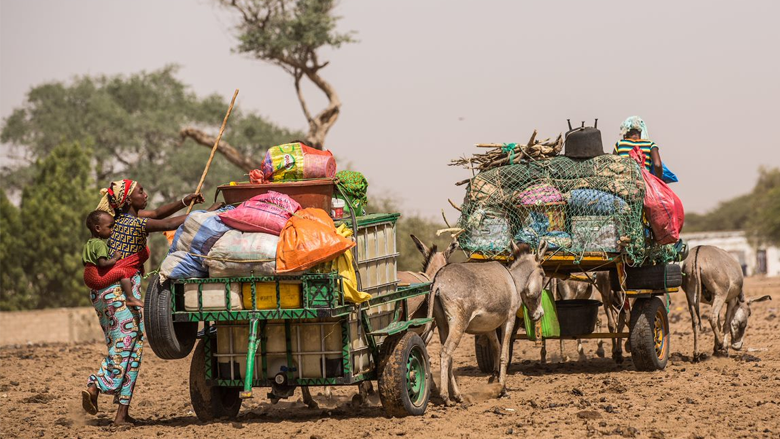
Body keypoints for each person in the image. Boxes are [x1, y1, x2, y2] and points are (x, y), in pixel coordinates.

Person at [81, 179, 222, 425]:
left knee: (135, 347)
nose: (145, 194)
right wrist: (205, 213)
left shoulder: (127, 219)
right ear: (127, 200)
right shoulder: (132, 224)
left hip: (115, 291)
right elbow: (166, 223)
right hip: (116, 291)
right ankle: (96, 384)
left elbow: (157, 213)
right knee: (125, 343)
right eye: (140, 191)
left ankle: (121, 414)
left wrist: (184, 201)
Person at [82, 210, 143, 308]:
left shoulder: (89, 243)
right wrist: (115, 258)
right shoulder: (99, 244)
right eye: (109, 227)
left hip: (87, 277)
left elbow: (85, 263)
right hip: (95, 279)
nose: (112, 230)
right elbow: (102, 264)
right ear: (98, 228)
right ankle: (130, 298)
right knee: (123, 272)